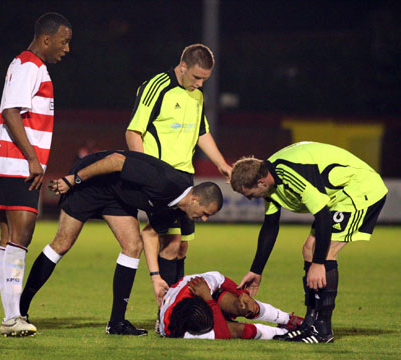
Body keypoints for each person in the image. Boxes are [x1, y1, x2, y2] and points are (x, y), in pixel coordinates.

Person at [19, 150, 224, 335]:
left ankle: (116, 323)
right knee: (62, 244)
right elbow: (116, 161)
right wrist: (75, 179)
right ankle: (20, 309)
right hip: (91, 184)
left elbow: (150, 236)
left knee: (133, 246)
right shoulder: (166, 182)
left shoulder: (175, 208)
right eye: (205, 214)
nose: (204, 219)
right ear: (195, 199)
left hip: (117, 197)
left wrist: (155, 278)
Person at [230, 141, 388, 343]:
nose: (251, 200)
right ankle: (310, 323)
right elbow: (270, 225)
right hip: (340, 195)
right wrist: (256, 270)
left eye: (250, 195)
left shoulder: (290, 175)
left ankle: (323, 330)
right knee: (308, 249)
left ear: (261, 182)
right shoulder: (270, 180)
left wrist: (319, 263)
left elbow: (323, 216)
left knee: (325, 252)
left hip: (360, 190)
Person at [0, 12, 72, 337]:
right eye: (64, 41)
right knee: (20, 237)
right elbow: (10, 111)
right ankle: (13, 316)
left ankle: (12, 315)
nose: (66, 48)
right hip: (17, 163)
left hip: (9, 162)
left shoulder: (26, 65)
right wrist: (33, 159)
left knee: (10, 238)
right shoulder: (29, 66)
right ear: (47, 39)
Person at [125, 43, 232, 300]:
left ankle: (175, 308)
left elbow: (201, 133)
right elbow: (133, 132)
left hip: (185, 178)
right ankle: (168, 312)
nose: (200, 84)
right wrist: (145, 174)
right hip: (160, 179)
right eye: (196, 77)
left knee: (182, 247)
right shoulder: (157, 86)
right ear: (182, 66)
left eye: (205, 79)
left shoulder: (197, 95)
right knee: (171, 245)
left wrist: (222, 164)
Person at [159, 271, 304, 340]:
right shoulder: (177, 332)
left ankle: (287, 319)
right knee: (236, 330)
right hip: (205, 303)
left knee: (244, 306)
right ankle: (283, 334)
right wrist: (209, 300)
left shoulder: (196, 286)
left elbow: (218, 277)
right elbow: (222, 334)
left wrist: (242, 292)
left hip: (206, 299)